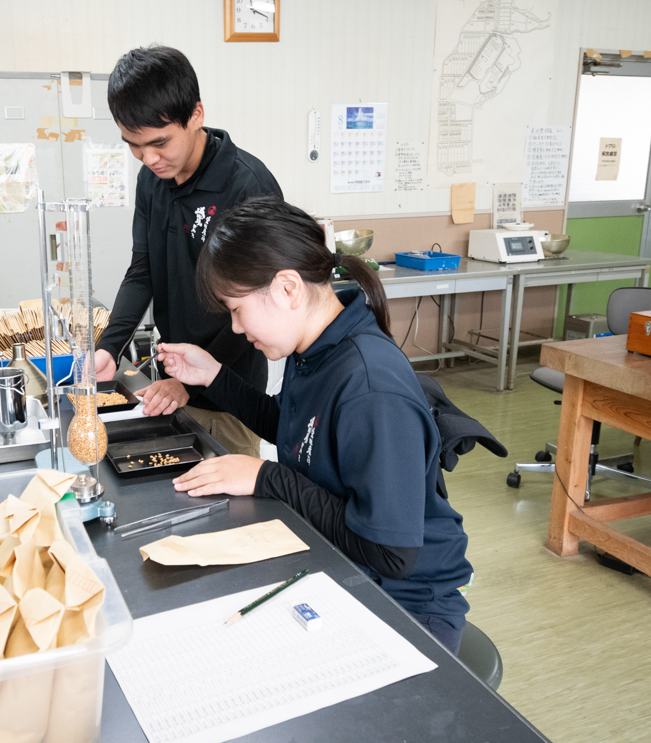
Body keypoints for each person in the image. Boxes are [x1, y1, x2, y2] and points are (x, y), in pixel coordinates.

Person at [157, 198, 473, 653]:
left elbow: (390, 553)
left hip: (404, 606)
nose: (236, 327)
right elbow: (296, 431)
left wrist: (267, 477)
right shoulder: (318, 349)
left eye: (236, 309)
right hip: (344, 568)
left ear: (288, 289)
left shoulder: (369, 387)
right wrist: (213, 376)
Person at [94, 45, 283, 457]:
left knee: (234, 503)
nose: (148, 158)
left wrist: (192, 381)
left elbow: (259, 306)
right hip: (172, 379)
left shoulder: (248, 187)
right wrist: (109, 347)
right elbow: (142, 270)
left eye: (159, 142)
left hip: (230, 387)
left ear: (196, 115)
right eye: (133, 145)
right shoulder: (152, 180)